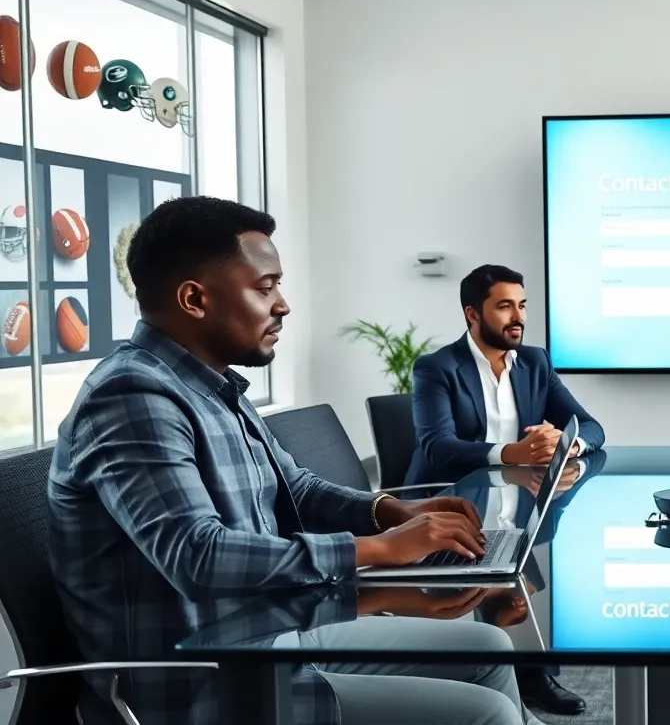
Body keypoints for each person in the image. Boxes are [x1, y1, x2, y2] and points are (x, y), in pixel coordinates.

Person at [47, 197, 536, 725]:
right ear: (194, 299)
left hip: (266, 633)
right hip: (209, 685)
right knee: (486, 714)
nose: (283, 305)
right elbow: (197, 555)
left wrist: (391, 512)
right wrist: (379, 552)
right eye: (265, 287)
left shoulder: (214, 387)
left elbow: (296, 488)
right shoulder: (131, 396)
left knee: (487, 649)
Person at [406, 263, 603, 715]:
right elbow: (437, 448)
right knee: (507, 594)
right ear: (472, 314)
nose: (518, 317)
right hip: (449, 504)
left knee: (523, 591)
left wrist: (567, 444)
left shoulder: (534, 361)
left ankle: (526, 676)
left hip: (516, 505)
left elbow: (592, 426)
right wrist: (510, 453)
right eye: (505, 306)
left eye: (522, 305)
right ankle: (517, 679)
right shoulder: (438, 368)